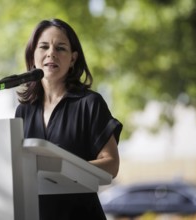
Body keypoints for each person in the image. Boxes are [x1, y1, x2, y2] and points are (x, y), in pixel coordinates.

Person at [15, 18, 123, 220]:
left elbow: (111, 164)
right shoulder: (23, 111)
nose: (51, 53)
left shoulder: (90, 103)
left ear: (73, 59)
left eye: (61, 48)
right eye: (44, 47)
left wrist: (64, 169)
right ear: (33, 55)